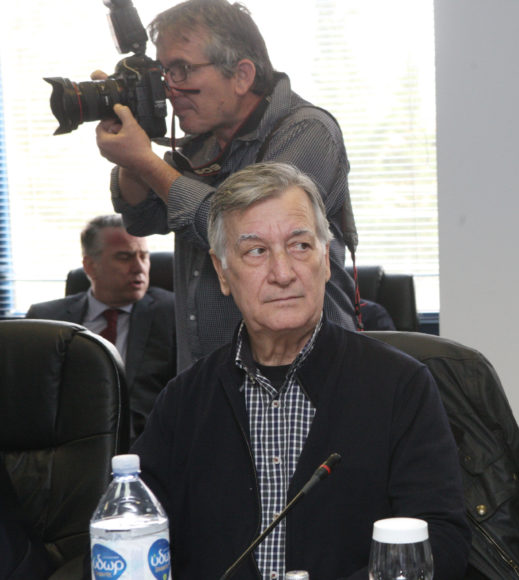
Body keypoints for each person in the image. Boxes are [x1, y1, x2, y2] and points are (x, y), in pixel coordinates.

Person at [130, 162, 468, 579]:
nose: (283, 273)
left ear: (325, 260)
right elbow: (130, 535)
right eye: (256, 251)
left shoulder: (400, 386)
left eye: (300, 246)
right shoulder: (184, 401)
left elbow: (442, 541)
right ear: (222, 272)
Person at [95, 0, 359, 372]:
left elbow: (244, 232)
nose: (168, 88)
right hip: (210, 376)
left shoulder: (306, 132)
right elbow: (142, 217)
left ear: (241, 75)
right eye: (164, 71)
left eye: (182, 69)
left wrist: (145, 161)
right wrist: (132, 141)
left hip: (305, 372)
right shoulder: (204, 140)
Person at [26, 214, 176, 439]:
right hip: (66, 443)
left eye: (144, 256)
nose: (139, 267)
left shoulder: (172, 312)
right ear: (90, 266)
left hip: (143, 441)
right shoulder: (45, 319)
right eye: (124, 257)